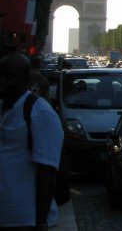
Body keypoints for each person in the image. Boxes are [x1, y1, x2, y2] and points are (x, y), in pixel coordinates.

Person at [0, 52, 63, 230]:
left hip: (26, 219)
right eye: (1, 74)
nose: (2, 80)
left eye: (10, 76)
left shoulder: (41, 113)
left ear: (26, 80)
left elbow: (47, 171)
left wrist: (41, 223)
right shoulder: (3, 107)